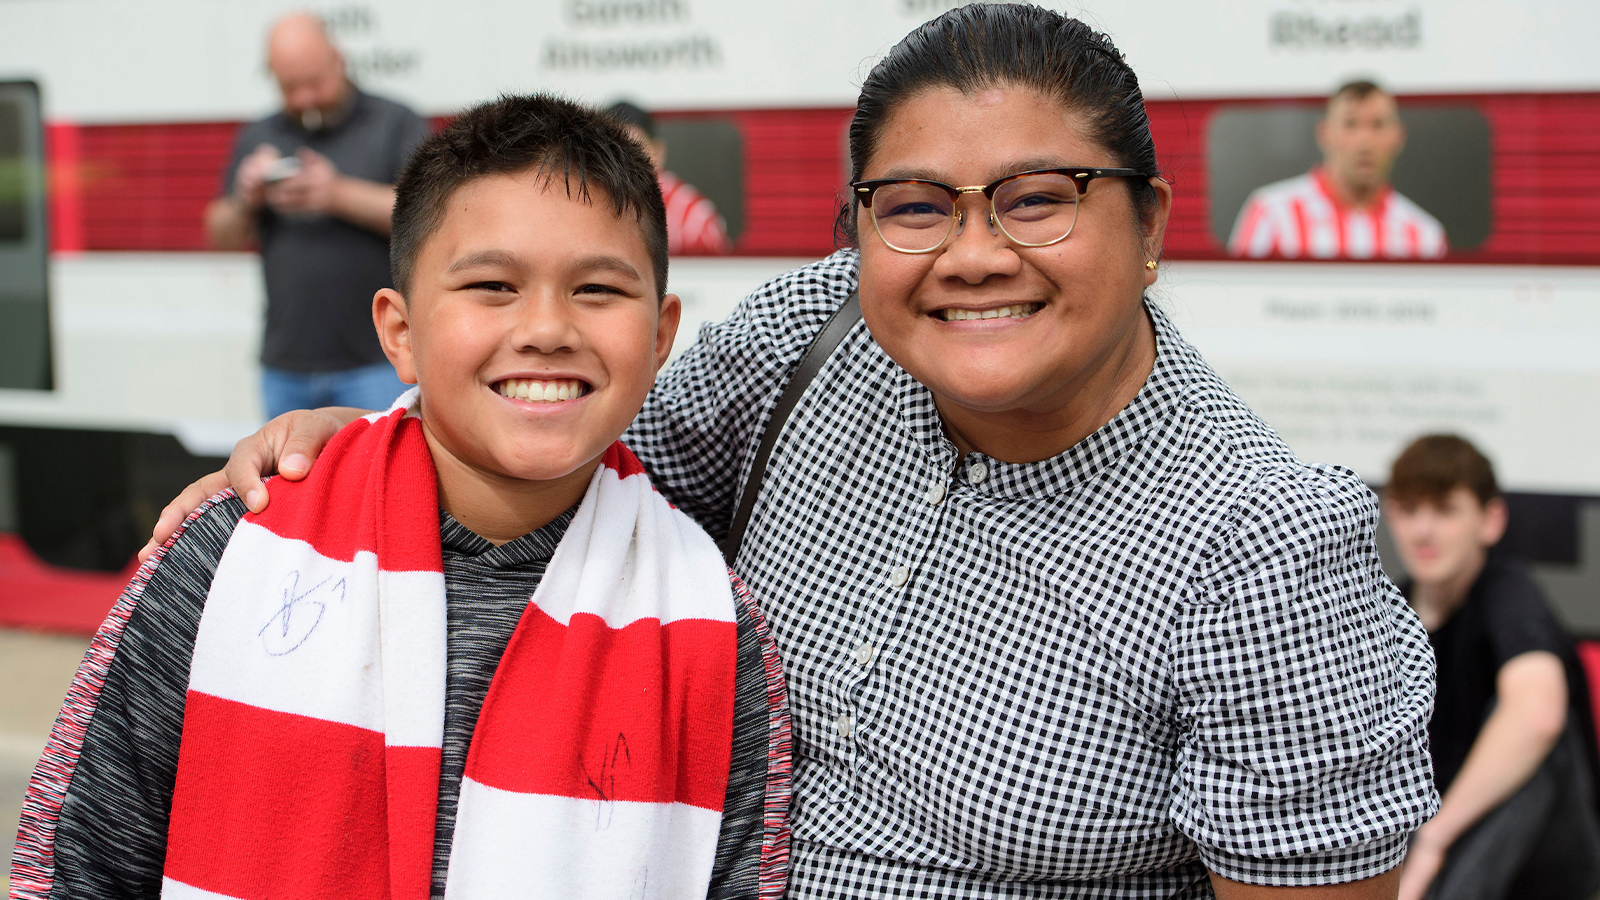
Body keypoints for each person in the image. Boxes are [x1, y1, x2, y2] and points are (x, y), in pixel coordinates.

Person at [137, 7, 1437, 897]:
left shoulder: (1268, 547)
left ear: (1148, 224)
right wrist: (375, 443)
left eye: (1038, 198)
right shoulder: (817, 336)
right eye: (915, 206)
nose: (974, 252)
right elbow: (561, 470)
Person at [11, 95, 791, 900]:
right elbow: (80, 866)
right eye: (492, 284)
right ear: (400, 332)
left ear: (661, 335)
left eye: (598, 289)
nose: (549, 328)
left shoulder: (713, 629)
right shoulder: (230, 554)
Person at [1384, 435, 1600, 900]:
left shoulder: (1509, 592)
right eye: (1409, 509)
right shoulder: (1388, 612)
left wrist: (1432, 841)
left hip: (1544, 858)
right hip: (1429, 849)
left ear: (1491, 519)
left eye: (1444, 510)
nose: (1423, 531)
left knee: (1537, 735)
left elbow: (1537, 717)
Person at [204, 12, 430, 418]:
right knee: (284, 481)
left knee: (376, 480)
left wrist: (335, 193)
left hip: (380, 360)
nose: (305, 98)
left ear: (338, 60)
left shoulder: (394, 122)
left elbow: (429, 215)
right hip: (285, 366)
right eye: (292, 88)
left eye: (315, 83)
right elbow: (222, 234)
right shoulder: (259, 135)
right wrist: (245, 197)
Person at [1228, 80, 1448, 260]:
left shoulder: (1424, 235)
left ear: (1398, 136)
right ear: (1324, 133)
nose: (1364, 141)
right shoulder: (1271, 214)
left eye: (1378, 125)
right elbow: (1237, 303)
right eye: (1350, 124)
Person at [605, 100, 734, 255]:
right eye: (612, 152)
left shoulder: (694, 220)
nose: (624, 163)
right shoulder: (590, 208)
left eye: (636, 150)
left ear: (658, 152)